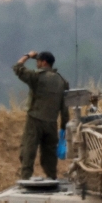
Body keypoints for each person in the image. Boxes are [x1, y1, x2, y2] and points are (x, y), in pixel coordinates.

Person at [14, 50, 69, 180]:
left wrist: (28, 56)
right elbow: (64, 108)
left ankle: (26, 179)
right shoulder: (62, 81)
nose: (37, 64)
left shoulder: (37, 77)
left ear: (44, 62)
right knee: (49, 156)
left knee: (28, 151)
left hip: (34, 120)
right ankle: (52, 178)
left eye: (38, 61)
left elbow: (18, 68)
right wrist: (63, 127)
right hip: (51, 123)